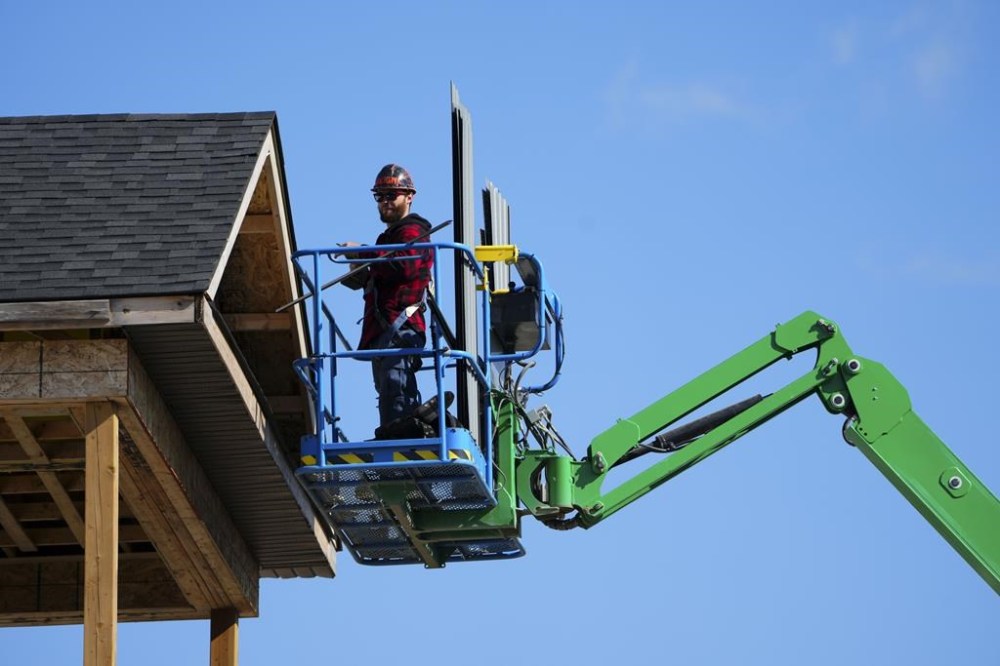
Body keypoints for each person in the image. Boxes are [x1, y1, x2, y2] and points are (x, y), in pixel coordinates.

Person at [342, 164, 433, 435]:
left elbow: (404, 266)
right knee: (390, 391)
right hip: (385, 330)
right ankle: (398, 434)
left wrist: (363, 254)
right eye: (380, 196)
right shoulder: (390, 237)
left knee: (397, 388)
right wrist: (363, 274)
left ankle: (400, 438)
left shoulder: (414, 232)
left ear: (409, 196)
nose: (385, 202)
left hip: (401, 327)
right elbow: (389, 269)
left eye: (391, 195)